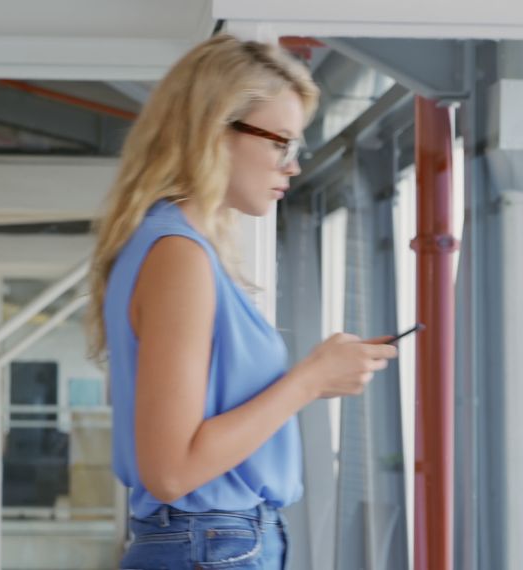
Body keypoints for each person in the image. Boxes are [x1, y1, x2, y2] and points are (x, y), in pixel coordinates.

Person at [85, 34, 399, 569]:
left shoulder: (172, 246)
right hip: (211, 545)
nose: (292, 166)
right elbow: (172, 471)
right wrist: (307, 381)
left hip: (211, 543)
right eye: (281, 142)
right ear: (215, 132)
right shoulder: (179, 256)